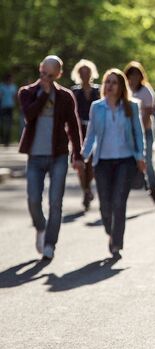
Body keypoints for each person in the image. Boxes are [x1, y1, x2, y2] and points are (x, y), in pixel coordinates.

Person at [18, 55, 85, 260]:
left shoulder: (65, 96)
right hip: (35, 156)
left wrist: (78, 154)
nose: (46, 78)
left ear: (58, 74)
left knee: (56, 202)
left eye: (50, 75)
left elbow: (73, 127)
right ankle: (41, 227)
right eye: (43, 73)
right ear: (40, 70)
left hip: (58, 155)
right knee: (33, 199)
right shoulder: (27, 92)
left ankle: (50, 244)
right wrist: (43, 96)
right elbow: (29, 115)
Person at [82, 69, 145, 257]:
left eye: (114, 82)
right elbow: (91, 134)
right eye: (107, 82)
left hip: (125, 161)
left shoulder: (131, 107)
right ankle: (111, 232)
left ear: (121, 86)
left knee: (119, 202)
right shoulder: (97, 107)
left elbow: (138, 133)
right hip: (102, 162)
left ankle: (117, 242)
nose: (109, 86)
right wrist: (82, 155)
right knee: (105, 205)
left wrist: (140, 157)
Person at [125, 61, 155, 207]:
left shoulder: (146, 91)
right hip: (127, 132)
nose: (133, 78)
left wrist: (139, 135)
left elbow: (146, 116)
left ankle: (154, 189)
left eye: (136, 75)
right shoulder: (125, 91)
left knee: (147, 161)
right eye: (131, 75)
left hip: (144, 131)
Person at [71, 59, 101, 211]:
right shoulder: (74, 92)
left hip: (95, 131)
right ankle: (86, 190)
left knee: (93, 165)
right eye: (81, 72)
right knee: (80, 163)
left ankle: (88, 187)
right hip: (79, 131)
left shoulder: (98, 90)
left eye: (87, 72)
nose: (84, 75)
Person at [0, 72, 17, 147]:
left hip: (10, 107)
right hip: (3, 107)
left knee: (9, 124)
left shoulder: (13, 86)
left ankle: (7, 141)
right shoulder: (2, 86)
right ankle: (4, 139)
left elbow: (15, 97)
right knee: (3, 124)